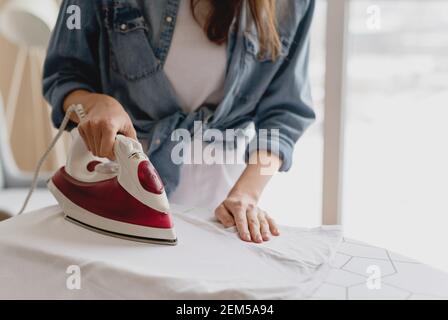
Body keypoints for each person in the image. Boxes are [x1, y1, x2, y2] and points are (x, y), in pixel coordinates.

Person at [43, 0, 316, 243]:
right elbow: (64, 74)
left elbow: (283, 113)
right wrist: (97, 104)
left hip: (223, 200)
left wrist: (246, 195)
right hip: (120, 166)